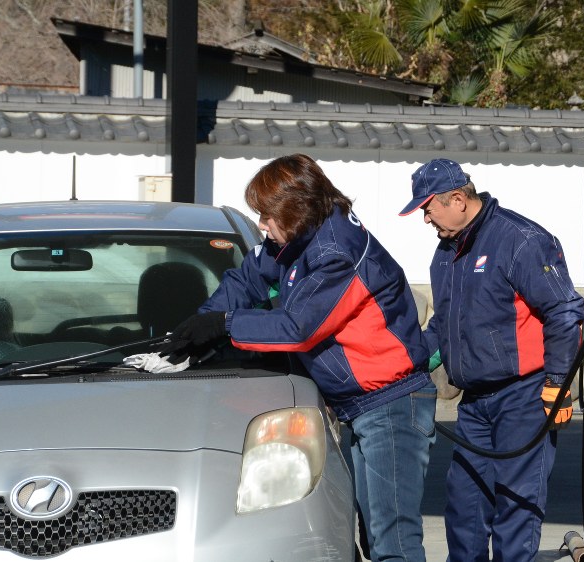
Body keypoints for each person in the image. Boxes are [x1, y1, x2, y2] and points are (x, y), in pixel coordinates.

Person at [159, 153, 437, 562]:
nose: (262, 226)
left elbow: (297, 328)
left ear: (295, 207)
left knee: (392, 540)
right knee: (369, 536)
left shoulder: (335, 252)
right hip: (355, 404)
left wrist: (225, 325)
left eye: (267, 216)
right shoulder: (299, 238)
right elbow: (248, 276)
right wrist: (199, 327)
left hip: (391, 403)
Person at [399, 158, 584, 562]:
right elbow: (442, 327)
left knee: (515, 507)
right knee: (464, 505)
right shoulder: (446, 253)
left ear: (459, 200)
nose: (426, 218)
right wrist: (407, 361)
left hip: (525, 396)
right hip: (476, 401)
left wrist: (557, 382)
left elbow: (565, 312)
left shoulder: (520, 239)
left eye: (428, 208)